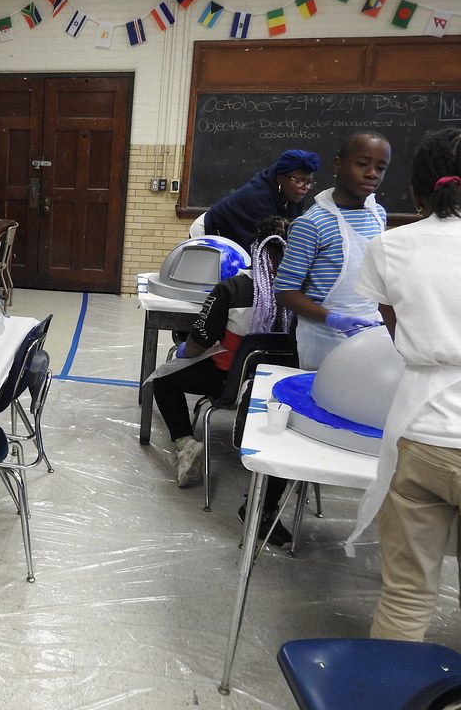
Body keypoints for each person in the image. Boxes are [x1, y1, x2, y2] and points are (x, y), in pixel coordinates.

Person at [343, 128, 461, 641]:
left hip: (422, 434)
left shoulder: (391, 246)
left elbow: (397, 330)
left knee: (407, 591)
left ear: (416, 194)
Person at [151, 217, 295, 544]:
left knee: (163, 379)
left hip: (227, 381)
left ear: (253, 250)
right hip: (275, 392)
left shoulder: (232, 289)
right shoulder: (300, 294)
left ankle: (185, 445)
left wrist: (182, 352)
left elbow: (199, 343)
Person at [274, 131, 391, 370]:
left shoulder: (378, 214)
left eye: (381, 168)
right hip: (323, 338)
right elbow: (285, 292)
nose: (372, 174)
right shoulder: (313, 223)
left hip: (370, 333)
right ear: (338, 165)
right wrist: (332, 318)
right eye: (362, 164)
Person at [191, 149, 321, 251]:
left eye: (309, 182)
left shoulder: (294, 194)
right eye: (299, 180)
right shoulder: (257, 197)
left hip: (235, 233)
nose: (305, 187)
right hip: (209, 231)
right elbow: (270, 243)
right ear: (280, 177)